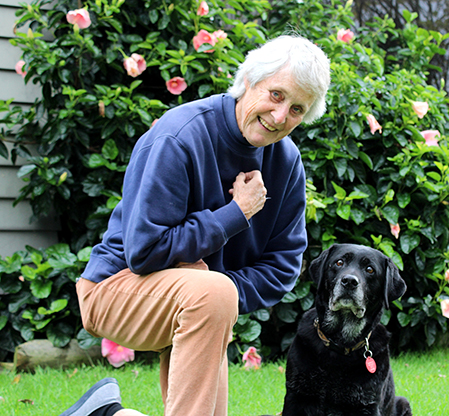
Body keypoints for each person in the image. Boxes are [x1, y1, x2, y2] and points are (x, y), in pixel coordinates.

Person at [59, 35, 331, 416]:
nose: (280, 116)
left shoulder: (286, 163)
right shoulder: (181, 134)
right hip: (114, 287)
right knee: (213, 295)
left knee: (215, 296)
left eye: (298, 109)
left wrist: (212, 288)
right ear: (250, 80)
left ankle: (107, 414)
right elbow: (144, 250)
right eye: (276, 95)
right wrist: (236, 213)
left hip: (197, 301)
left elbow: (283, 265)